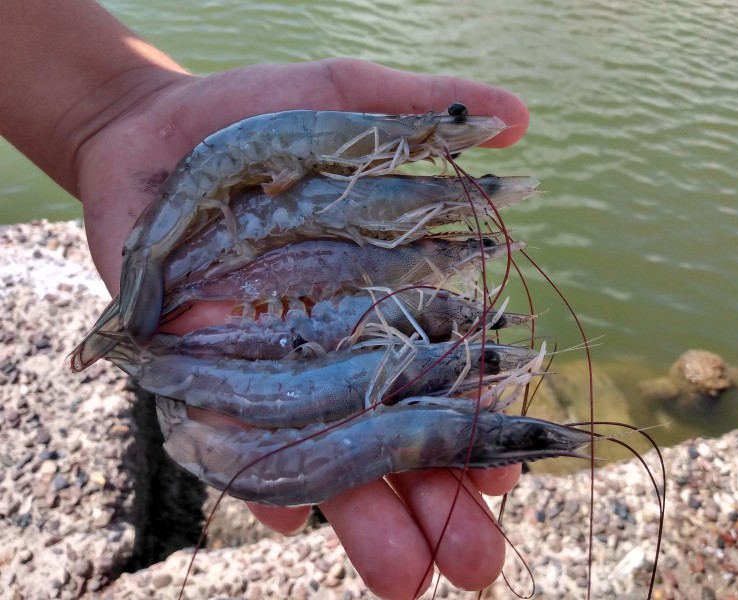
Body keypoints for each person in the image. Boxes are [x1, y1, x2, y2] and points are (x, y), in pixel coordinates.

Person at [1, 1, 530, 597]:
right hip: (214, 196)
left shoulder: (390, 156)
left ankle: (146, 328)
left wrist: (110, 107)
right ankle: (140, 314)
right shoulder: (379, 155)